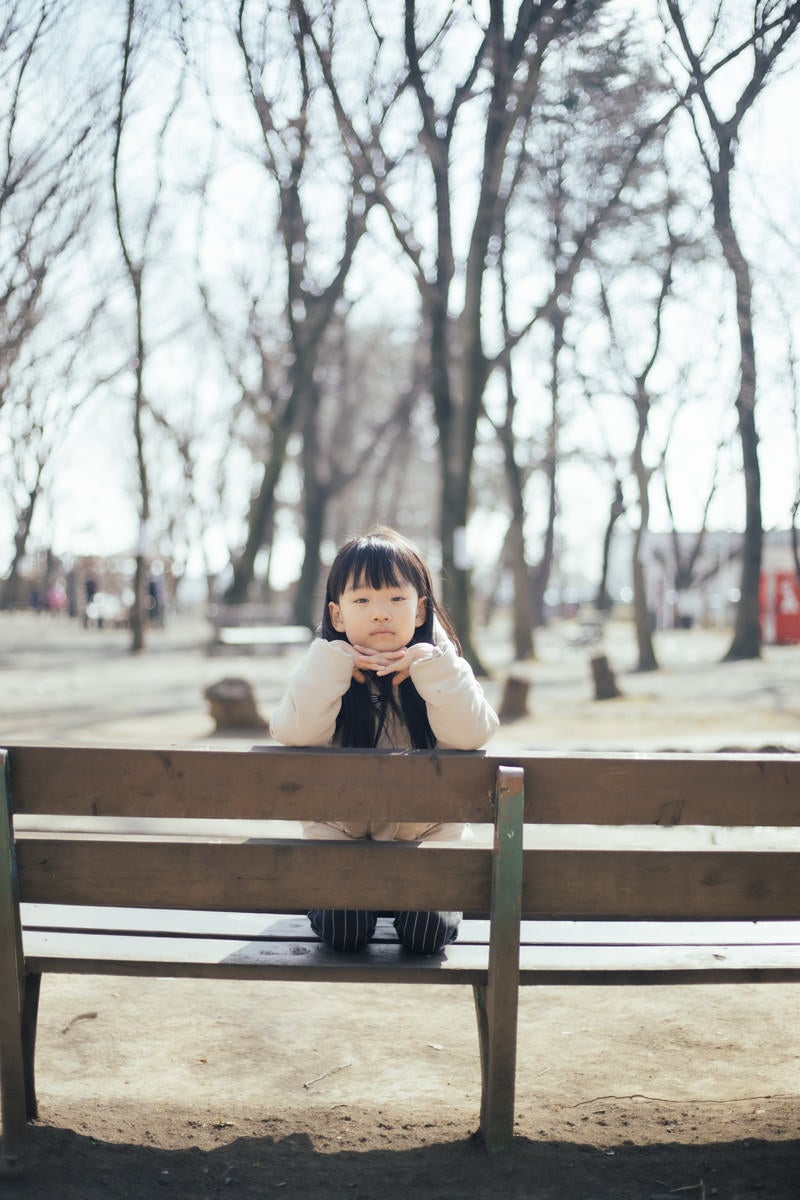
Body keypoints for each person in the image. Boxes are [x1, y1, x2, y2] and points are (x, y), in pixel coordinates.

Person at [269, 526, 499, 955]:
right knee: (344, 929)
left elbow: (472, 734)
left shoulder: (442, 667)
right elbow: (294, 732)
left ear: (419, 610)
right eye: (362, 600)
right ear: (337, 616)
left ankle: (416, 907)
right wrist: (334, 661)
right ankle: (355, 906)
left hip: (427, 849)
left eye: (396, 598)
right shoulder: (323, 668)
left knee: (424, 932)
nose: (380, 613)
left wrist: (429, 667)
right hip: (341, 853)